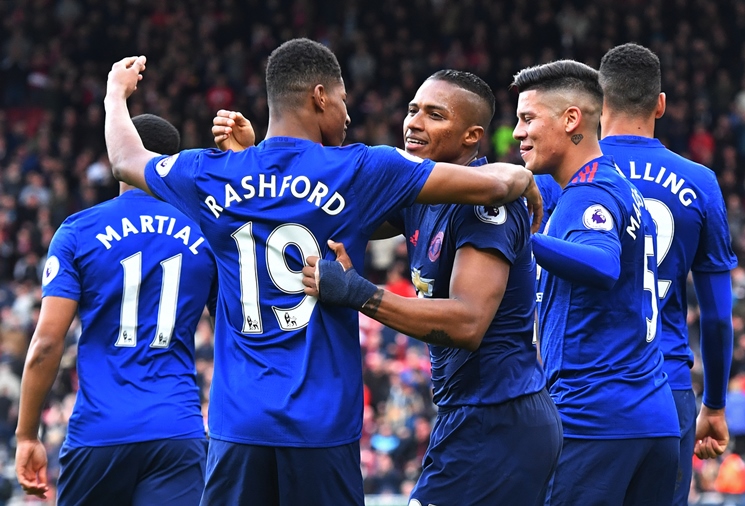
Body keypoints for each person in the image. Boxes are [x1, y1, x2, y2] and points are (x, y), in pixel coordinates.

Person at [103, 38, 543, 506]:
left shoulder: (211, 172)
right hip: (321, 426)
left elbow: (126, 161)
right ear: (319, 97)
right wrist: (523, 177)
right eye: (343, 101)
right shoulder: (362, 169)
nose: (348, 116)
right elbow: (495, 185)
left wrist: (115, 93)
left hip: (238, 424)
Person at [301, 69, 562, 505]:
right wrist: (260, 152)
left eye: (435, 115)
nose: (414, 123)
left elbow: (467, 322)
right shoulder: (419, 199)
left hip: (498, 419)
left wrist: (358, 293)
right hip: (469, 417)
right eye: (412, 109)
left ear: (470, 136)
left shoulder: (485, 208)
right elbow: (327, 210)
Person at [14, 114, 218, 505]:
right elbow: (230, 331)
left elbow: (45, 344)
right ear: (169, 163)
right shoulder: (204, 233)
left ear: (118, 155)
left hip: (100, 433)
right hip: (176, 430)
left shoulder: (78, 231)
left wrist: (27, 436)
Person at [512, 60, 680, 505]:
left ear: (571, 120)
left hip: (597, 419)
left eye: (528, 118)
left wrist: (525, 240)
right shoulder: (621, 188)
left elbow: (602, 265)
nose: (516, 132)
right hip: (653, 418)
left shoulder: (588, 192)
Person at [598, 42, 738, 505]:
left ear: (600, 102)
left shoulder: (563, 174)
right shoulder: (699, 182)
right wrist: (714, 404)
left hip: (582, 390)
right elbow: (718, 316)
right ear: (660, 104)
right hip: (666, 387)